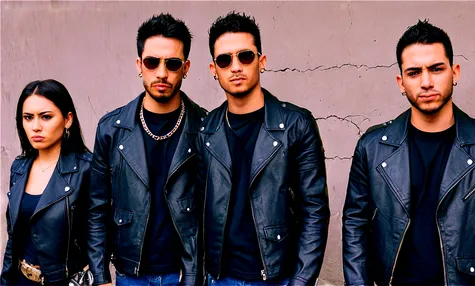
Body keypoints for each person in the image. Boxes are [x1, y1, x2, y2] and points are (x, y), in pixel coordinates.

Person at [342, 19, 475, 286]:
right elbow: (355, 225)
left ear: (455, 72)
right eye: (414, 72)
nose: (426, 82)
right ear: (400, 81)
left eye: (436, 69)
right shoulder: (372, 147)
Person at [196, 11, 330, 285]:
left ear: (261, 61)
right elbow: (198, 212)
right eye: (224, 60)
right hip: (220, 279)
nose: (235, 67)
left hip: (277, 277)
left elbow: (314, 210)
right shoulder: (206, 130)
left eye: (245, 56)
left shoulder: (296, 125)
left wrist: (301, 280)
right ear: (214, 70)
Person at [87, 13, 206, 286]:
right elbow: (97, 208)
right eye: (152, 62)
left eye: (172, 63)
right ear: (140, 65)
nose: (162, 73)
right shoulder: (111, 129)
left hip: (187, 275)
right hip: (130, 275)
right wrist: (101, 275)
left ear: (186, 67)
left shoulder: (206, 128)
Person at [1, 79, 92, 285]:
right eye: (28, 117)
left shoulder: (87, 169)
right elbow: (13, 237)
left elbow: (98, 238)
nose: (35, 127)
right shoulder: (19, 167)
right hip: (21, 279)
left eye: (46, 117)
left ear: (67, 119)